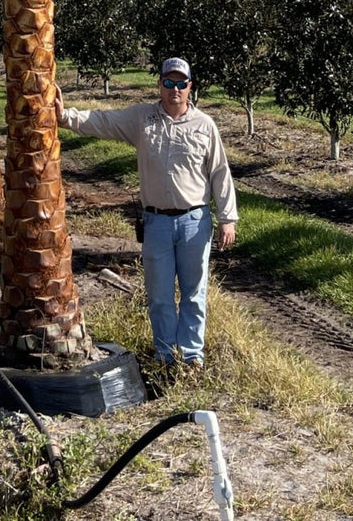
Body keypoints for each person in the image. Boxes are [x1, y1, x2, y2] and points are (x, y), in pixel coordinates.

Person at [55, 56, 237, 369]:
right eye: (169, 82)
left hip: (195, 221)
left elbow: (220, 172)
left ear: (190, 87)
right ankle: (165, 356)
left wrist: (227, 218)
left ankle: (192, 357)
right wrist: (64, 116)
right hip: (156, 222)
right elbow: (103, 121)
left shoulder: (204, 125)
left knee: (194, 293)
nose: (175, 89)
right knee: (160, 295)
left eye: (181, 83)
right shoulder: (142, 119)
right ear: (159, 84)